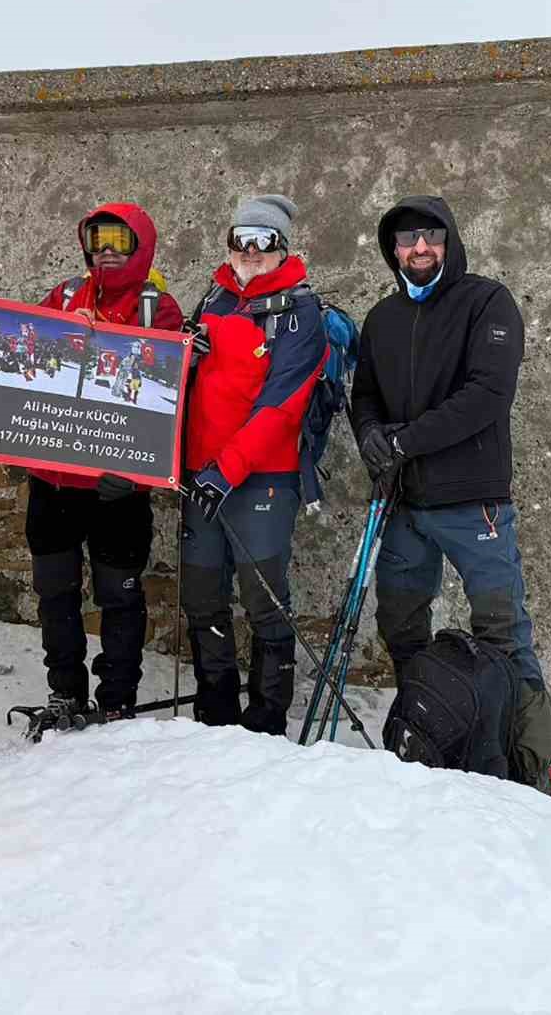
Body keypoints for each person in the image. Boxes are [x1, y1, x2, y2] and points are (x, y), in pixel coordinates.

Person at [349, 195, 551, 792]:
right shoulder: (383, 318)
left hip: (471, 501)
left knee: (502, 629)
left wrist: (404, 441)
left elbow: (488, 394)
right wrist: (370, 435)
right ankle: (433, 732)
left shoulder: (486, 303)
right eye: (407, 239)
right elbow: (365, 395)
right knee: (401, 623)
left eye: (431, 237)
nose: (419, 247)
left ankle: (526, 767)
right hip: (404, 504)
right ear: (393, 250)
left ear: (449, 242)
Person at [24, 204, 183, 730]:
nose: (107, 252)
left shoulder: (157, 310)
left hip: (116, 485)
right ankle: (64, 691)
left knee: (119, 594)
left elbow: (169, 398)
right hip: (55, 479)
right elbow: (29, 351)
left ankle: (117, 696)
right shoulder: (67, 295)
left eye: (120, 240)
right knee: (56, 590)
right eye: (98, 241)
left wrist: (137, 472)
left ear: (141, 247)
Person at [181, 195, 328, 734]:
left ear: (282, 247)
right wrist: (186, 355)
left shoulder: (300, 313)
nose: (250, 251)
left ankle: (266, 718)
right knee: (202, 597)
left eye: (263, 241)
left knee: (263, 599)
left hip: (261, 478)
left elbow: (281, 408)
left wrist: (226, 472)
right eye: (240, 239)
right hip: (200, 477)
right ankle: (215, 708)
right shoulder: (214, 299)